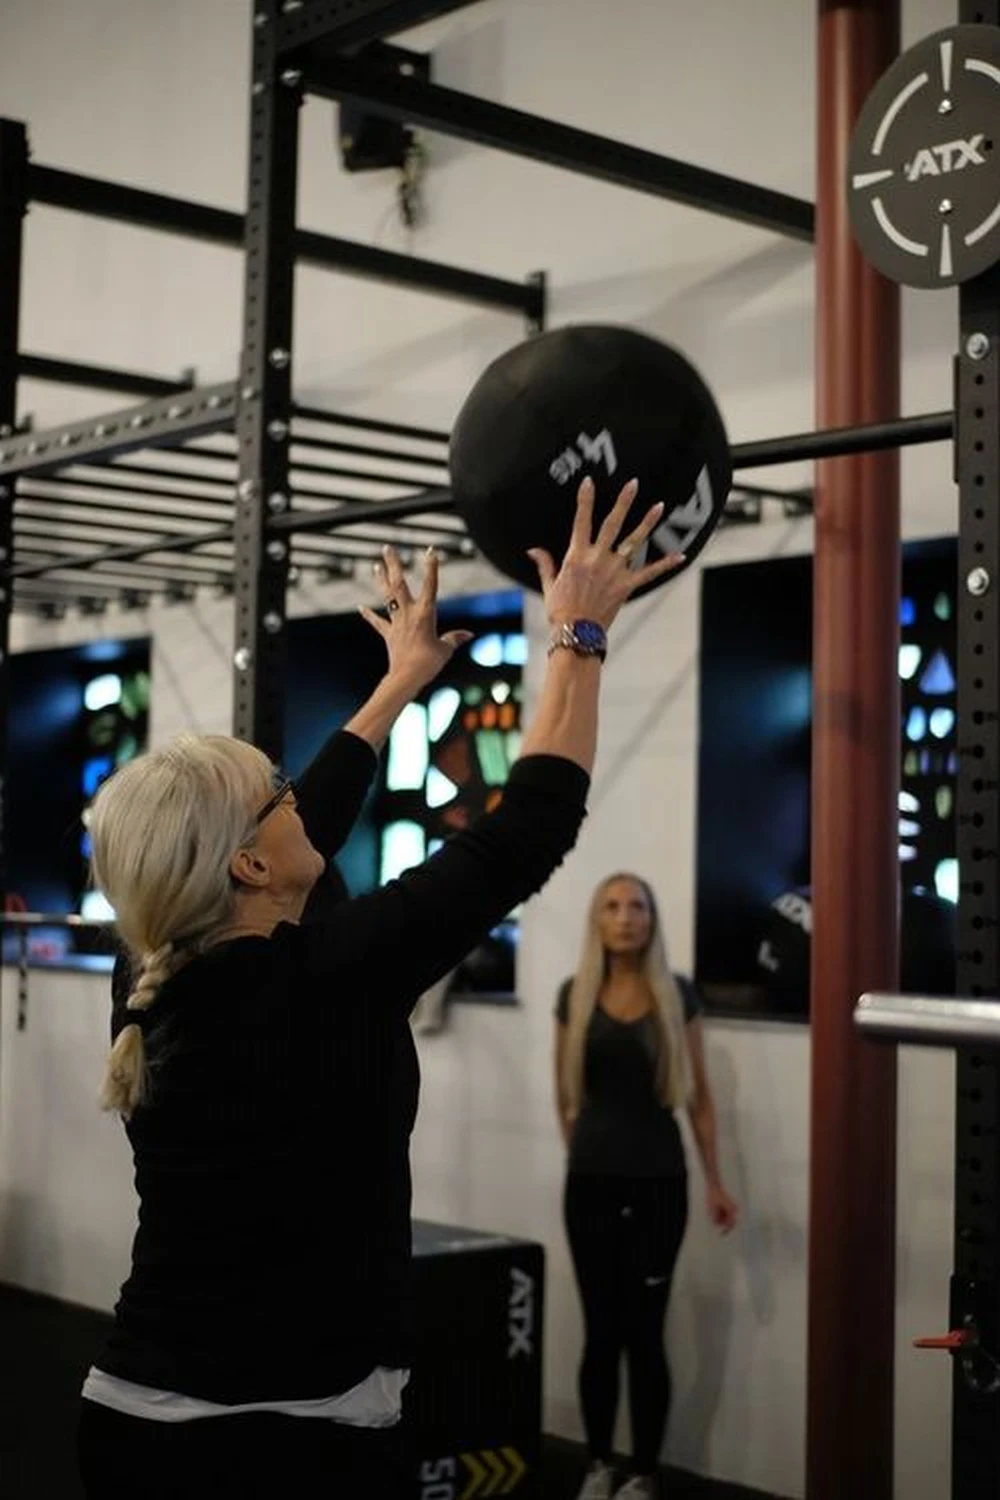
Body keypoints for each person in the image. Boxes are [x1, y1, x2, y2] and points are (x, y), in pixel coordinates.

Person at [76, 476, 684, 1500]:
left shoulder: (154, 971)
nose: (296, 804)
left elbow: (308, 810)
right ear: (250, 868)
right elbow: (530, 823)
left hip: (135, 1421)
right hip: (288, 1443)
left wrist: (401, 682)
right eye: (273, 800)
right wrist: (576, 635)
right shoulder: (328, 973)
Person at [554, 874, 739, 1500]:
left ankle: (644, 1473)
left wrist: (716, 1182)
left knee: (645, 1331)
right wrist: (584, 1156)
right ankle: (598, 1464)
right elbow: (564, 1097)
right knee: (601, 1331)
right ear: (597, 921)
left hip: (662, 1184)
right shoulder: (573, 995)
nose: (625, 916)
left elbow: (701, 1100)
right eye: (612, 905)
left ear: (652, 920)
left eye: (637, 906)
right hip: (591, 1188)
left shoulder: (676, 995)